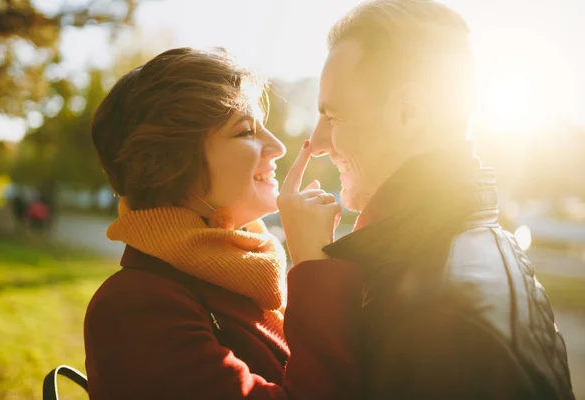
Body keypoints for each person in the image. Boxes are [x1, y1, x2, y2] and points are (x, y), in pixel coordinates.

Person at [277, 1, 575, 399]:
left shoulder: (444, 322)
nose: (315, 142)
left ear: (409, 111)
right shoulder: (467, 244)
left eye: (334, 116)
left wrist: (314, 275)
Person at [84, 48, 362, 399]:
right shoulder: (133, 308)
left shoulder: (245, 277)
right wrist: (312, 267)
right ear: (171, 165)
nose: (276, 146)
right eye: (246, 131)